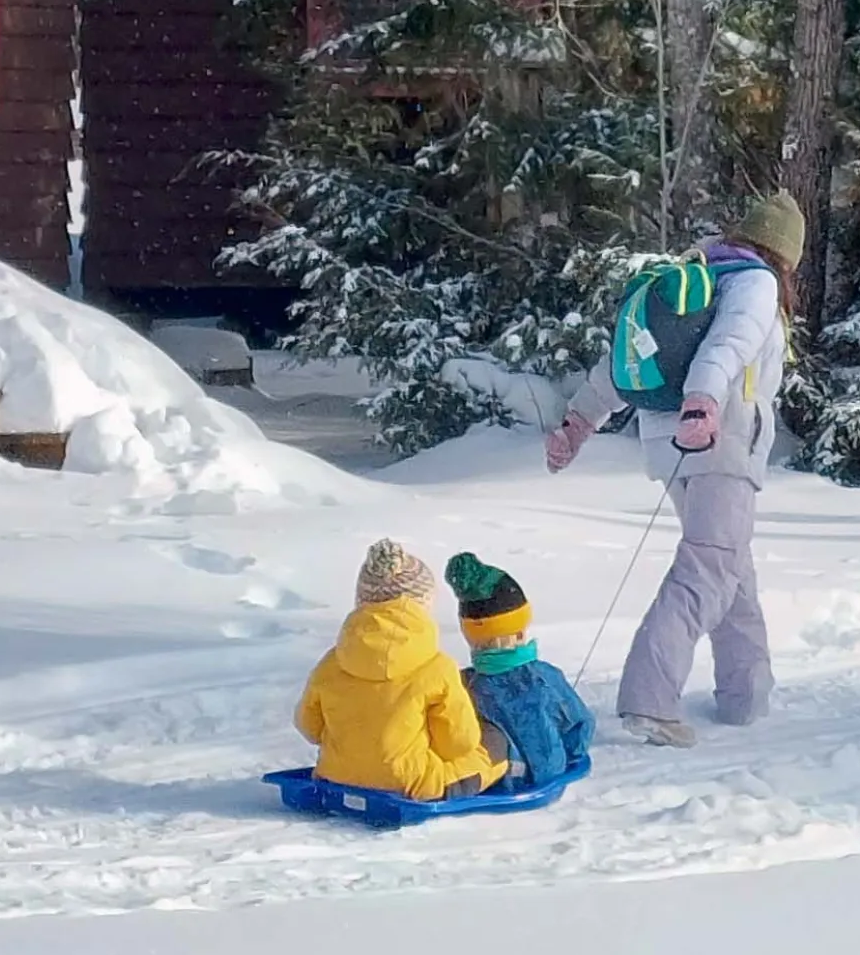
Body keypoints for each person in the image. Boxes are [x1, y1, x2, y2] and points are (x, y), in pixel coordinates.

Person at [543, 190, 804, 748]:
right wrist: (705, 403)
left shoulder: (697, 277)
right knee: (708, 568)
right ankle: (649, 699)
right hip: (718, 439)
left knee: (730, 568)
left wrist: (578, 423)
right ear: (785, 253)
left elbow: (624, 362)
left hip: (672, 444)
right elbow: (727, 348)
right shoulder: (755, 283)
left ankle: (746, 699)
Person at [295, 539, 507, 799]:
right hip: (413, 787)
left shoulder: (332, 662)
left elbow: (310, 728)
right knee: (494, 747)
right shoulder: (437, 667)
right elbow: (457, 744)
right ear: (422, 606)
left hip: (335, 777)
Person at [447, 552, 597, 790]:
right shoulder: (543, 679)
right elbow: (581, 724)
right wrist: (571, 753)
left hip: (486, 780)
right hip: (541, 777)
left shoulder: (462, 683)